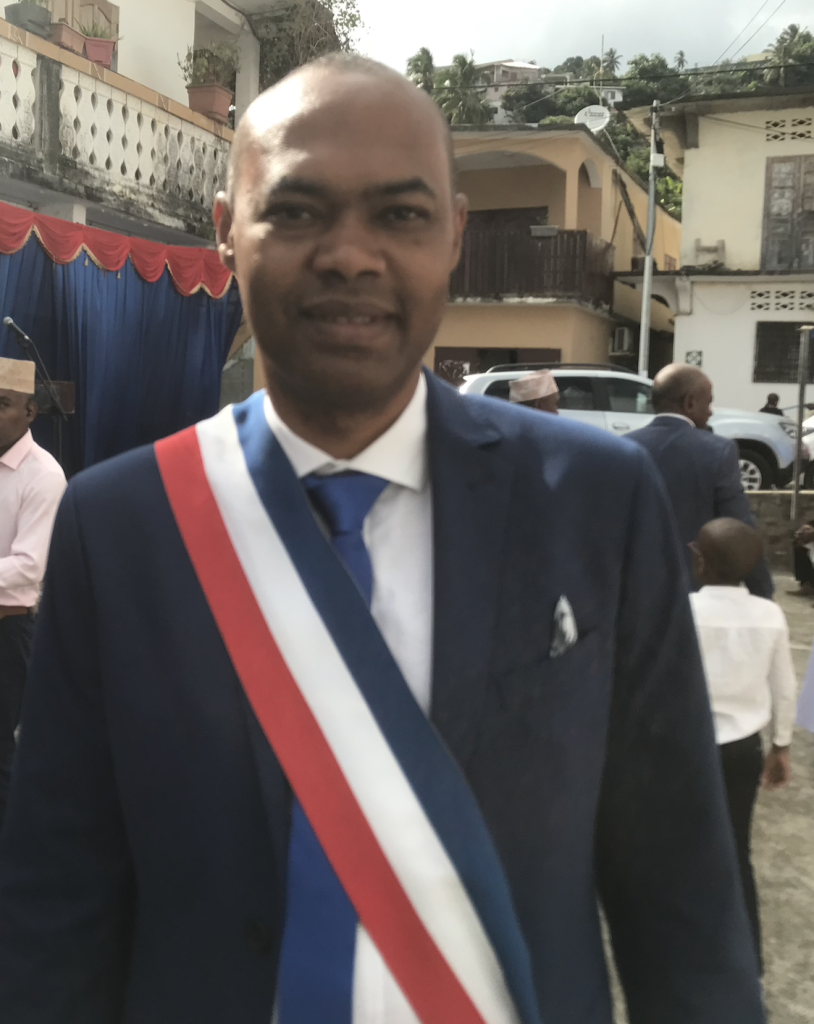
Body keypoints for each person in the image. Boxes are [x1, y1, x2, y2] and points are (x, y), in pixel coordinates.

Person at [0, 56, 764, 1024]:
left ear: (454, 235)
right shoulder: (121, 526)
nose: (350, 255)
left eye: (400, 214)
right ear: (226, 230)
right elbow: (59, 903)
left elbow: (682, 907)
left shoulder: (597, 502)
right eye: (297, 210)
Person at [689, 518, 796, 971]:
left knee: (681, 847)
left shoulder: (683, 610)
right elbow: (784, 687)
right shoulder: (769, 615)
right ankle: (747, 957)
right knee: (735, 848)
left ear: (699, 562)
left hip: (686, 749)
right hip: (741, 751)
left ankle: (686, 952)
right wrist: (781, 746)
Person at [627, 363, 774, 598]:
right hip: (695, 593)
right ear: (690, 403)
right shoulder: (717, 451)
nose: (711, 412)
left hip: (635, 591)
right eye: (709, 403)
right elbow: (741, 526)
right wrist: (763, 595)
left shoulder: (623, 447)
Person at [0, 358, 66, 833]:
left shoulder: (43, 474)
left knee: (1, 752)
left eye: (2, 404)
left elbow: (28, 566)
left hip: (8, 631)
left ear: (30, 412)